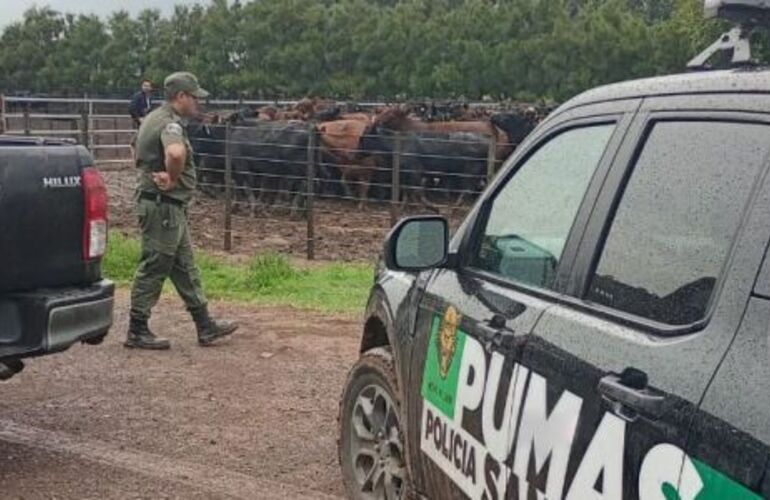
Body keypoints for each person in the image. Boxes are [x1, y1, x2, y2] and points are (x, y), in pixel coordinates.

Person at [126, 71, 238, 350]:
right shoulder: (170, 125)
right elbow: (175, 154)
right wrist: (173, 178)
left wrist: (149, 172)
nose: (198, 104)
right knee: (155, 264)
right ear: (181, 97)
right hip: (163, 207)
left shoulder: (152, 117)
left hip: (166, 207)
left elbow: (134, 147)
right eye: (195, 98)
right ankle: (137, 328)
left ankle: (205, 324)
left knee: (185, 266)